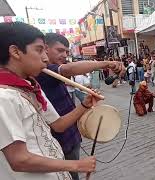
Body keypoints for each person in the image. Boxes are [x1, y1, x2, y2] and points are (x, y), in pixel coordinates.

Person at [0, 22, 97, 180]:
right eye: (39, 50)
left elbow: (58, 125)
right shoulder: (3, 97)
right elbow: (19, 160)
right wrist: (76, 165)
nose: (45, 59)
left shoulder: (31, 88)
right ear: (15, 52)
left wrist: (85, 104)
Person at [36, 33, 125, 180]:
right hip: (60, 141)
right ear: (45, 49)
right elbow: (69, 69)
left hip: (71, 136)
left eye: (66, 51)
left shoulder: (51, 71)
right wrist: (106, 63)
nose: (64, 55)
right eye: (59, 50)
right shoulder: (42, 71)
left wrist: (85, 106)